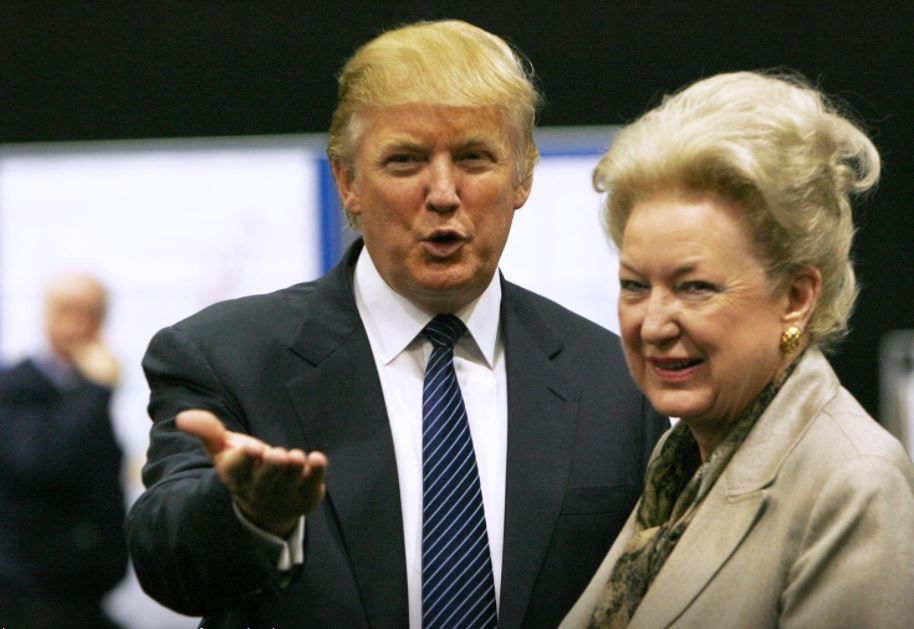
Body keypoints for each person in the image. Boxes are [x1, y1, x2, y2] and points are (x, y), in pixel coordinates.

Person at [125, 19, 668, 629]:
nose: (442, 193)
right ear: (348, 182)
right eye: (405, 161)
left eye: (474, 158)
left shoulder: (616, 381)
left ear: (523, 177)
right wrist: (249, 515)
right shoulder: (226, 356)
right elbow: (166, 563)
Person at [561, 71, 914, 629]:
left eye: (694, 287)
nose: (653, 323)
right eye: (634, 285)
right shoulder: (682, 460)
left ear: (796, 297)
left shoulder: (853, 482)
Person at [0, 273, 127, 629]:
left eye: (93, 313)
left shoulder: (85, 390)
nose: (80, 324)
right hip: (29, 592)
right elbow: (40, 462)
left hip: (86, 588)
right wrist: (97, 391)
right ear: (46, 314)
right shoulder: (14, 386)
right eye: (68, 311)